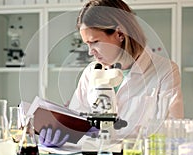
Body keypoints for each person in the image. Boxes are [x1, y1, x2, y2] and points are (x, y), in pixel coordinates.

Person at [39, 0, 184, 147]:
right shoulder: (91, 72)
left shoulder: (165, 70)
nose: (90, 52)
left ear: (120, 34)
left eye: (95, 42)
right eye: (87, 44)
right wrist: (62, 133)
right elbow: (76, 123)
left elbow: (172, 132)